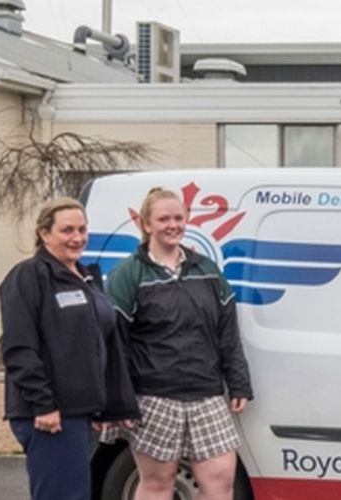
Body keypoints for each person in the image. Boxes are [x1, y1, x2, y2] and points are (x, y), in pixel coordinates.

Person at [105, 187, 253, 500]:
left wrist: (238, 381)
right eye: (163, 219)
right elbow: (114, 342)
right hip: (154, 397)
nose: (172, 225)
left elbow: (227, 329)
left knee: (221, 482)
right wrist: (120, 398)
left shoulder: (207, 271)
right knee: (159, 484)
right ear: (147, 224)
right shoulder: (128, 275)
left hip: (206, 392)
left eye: (178, 217)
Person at [0, 197, 138, 500]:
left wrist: (107, 405)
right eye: (66, 230)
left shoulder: (87, 277)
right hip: (51, 415)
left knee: (74, 494)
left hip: (82, 413)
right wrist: (44, 404)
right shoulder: (29, 276)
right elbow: (18, 346)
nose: (77, 238)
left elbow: (101, 343)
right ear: (44, 233)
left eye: (82, 229)